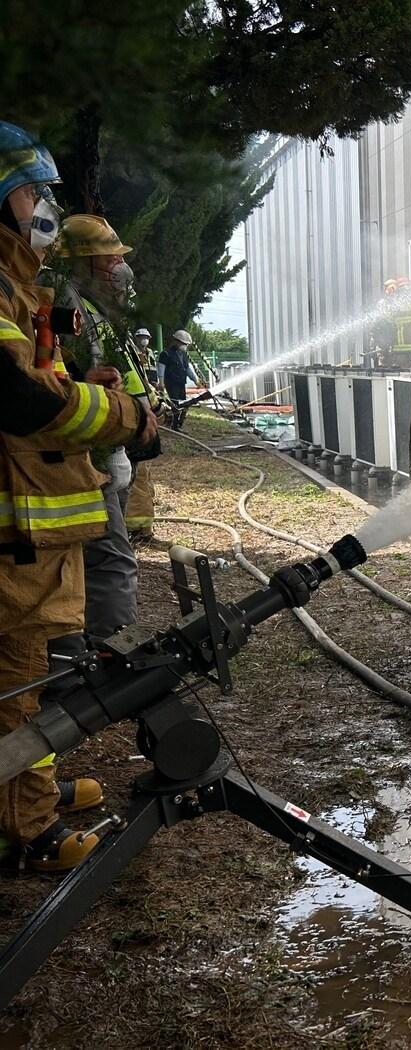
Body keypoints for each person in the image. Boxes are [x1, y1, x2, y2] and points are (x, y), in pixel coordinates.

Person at [0, 121, 155, 871]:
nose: (43, 207)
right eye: (33, 191)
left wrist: (78, 389)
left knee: (20, 682)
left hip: (26, 538)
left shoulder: (16, 287)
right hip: (11, 539)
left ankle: (31, 797)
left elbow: (38, 385)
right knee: (12, 688)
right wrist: (121, 415)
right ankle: (26, 834)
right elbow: (16, 400)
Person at [43, 214, 146, 643]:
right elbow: (60, 386)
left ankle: (85, 651)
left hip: (101, 450)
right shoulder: (66, 302)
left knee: (93, 561)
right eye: (108, 261)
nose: (116, 270)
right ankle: (112, 658)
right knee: (110, 561)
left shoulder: (90, 309)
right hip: (84, 456)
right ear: (81, 263)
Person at [126, 327, 158, 540]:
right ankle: (138, 528)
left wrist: (156, 400)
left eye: (146, 338)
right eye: (141, 338)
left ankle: (140, 528)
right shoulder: (126, 348)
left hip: (137, 420)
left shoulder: (136, 351)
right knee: (139, 479)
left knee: (140, 479)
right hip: (136, 420)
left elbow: (145, 383)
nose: (143, 341)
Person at [157, 329, 199, 429]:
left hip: (181, 382)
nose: (185, 346)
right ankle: (174, 425)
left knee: (183, 404)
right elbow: (161, 368)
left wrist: (196, 380)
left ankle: (179, 423)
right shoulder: (166, 354)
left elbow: (187, 369)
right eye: (184, 343)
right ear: (176, 341)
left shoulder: (184, 355)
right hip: (171, 383)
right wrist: (161, 382)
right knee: (175, 404)